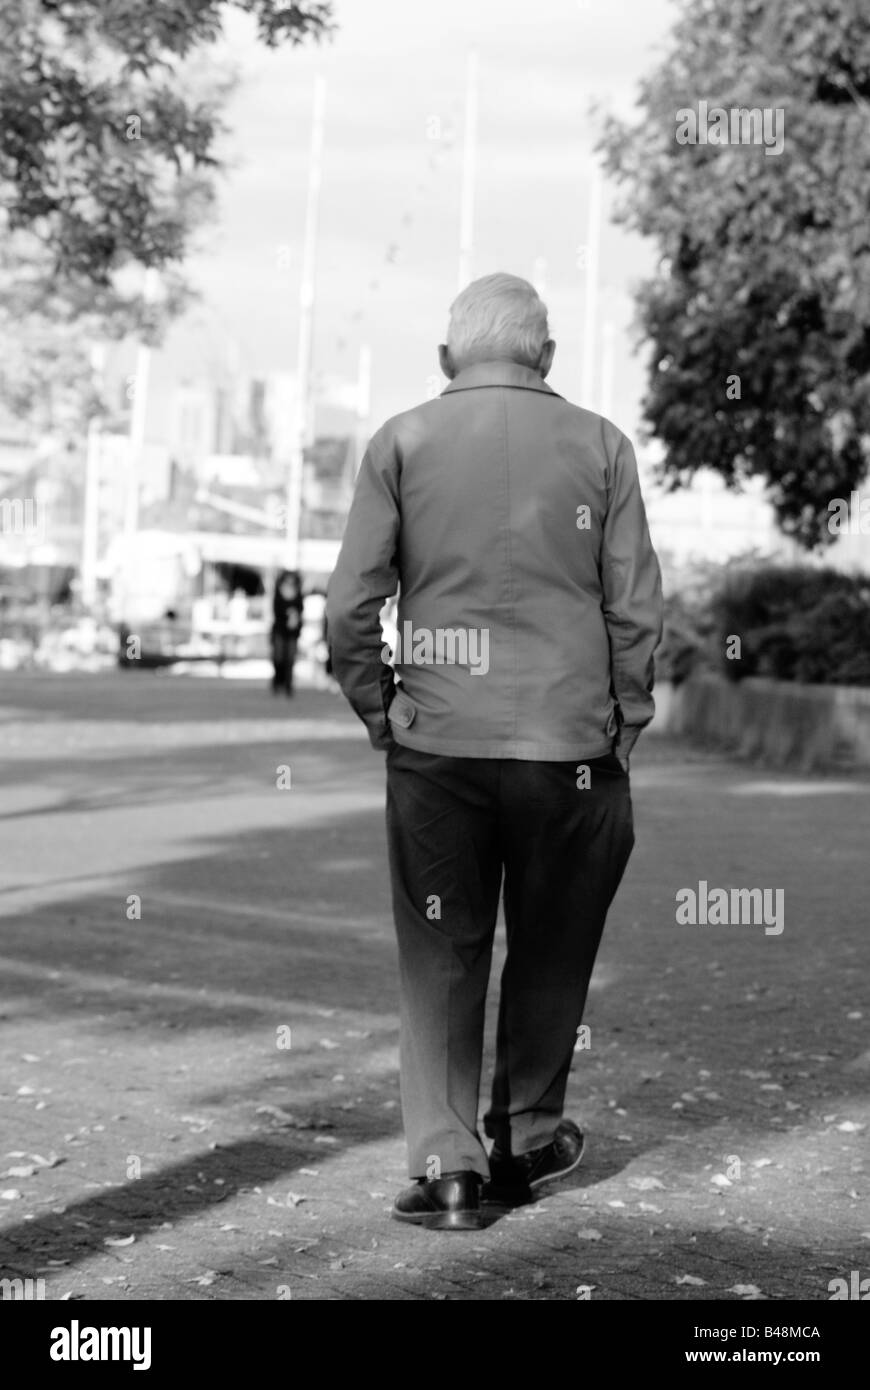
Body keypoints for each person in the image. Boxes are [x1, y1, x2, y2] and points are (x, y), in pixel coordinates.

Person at [326, 273, 663, 1231]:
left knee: (441, 952)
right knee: (554, 947)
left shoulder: (402, 442)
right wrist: (624, 720)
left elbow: (350, 606)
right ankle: (523, 1141)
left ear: (446, 358)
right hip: (571, 748)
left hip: (439, 746)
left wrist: (382, 709)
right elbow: (635, 608)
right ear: (546, 355)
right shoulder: (604, 445)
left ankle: (448, 1173)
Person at [271, 569, 304, 696]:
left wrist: (294, 617)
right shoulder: (279, 593)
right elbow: (276, 610)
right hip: (280, 630)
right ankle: (278, 681)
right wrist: (288, 613)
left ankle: (288, 684)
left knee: (290, 658)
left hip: (292, 632)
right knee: (278, 657)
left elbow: (301, 609)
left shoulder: (298, 593)